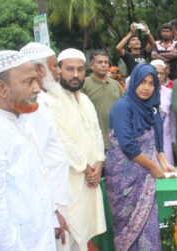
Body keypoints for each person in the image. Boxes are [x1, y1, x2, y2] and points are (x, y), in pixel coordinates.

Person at [105, 63, 177, 250]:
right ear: (134, 81)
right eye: (142, 82)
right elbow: (127, 145)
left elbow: (158, 141)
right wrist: (153, 167)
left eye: (151, 83)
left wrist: (164, 163)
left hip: (144, 179)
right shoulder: (122, 106)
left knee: (148, 225)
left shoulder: (152, 108)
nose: (146, 88)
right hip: (123, 180)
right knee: (126, 227)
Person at [0, 50, 56, 250]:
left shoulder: (21, 120)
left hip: (39, 236)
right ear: (2, 88)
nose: (37, 88)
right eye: (28, 82)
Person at [52, 48, 106, 251]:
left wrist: (99, 164)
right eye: (69, 69)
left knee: (83, 233)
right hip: (69, 182)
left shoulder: (86, 100)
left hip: (89, 181)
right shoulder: (52, 101)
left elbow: (98, 134)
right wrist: (86, 168)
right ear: (58, 70)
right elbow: (62, 141)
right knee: (67, 237)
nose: (75, 74)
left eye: (80, 70)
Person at [20, 42, 71, 250]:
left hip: (55, 198)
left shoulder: (45, 100)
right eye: (54, 66)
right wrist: (52, 211)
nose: (58, 71)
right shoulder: (35, 106)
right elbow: (35, 163)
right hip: (50, 204)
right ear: (40, 69)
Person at [82, 50, 123, 150]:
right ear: (91, 65)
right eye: (100, 62)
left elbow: (123, 110)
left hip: (116, 141)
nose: (104, 65)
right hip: (94, 141)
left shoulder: (116, 85)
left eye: (106, 62)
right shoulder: (84, 84)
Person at [151, 59, 176, 165]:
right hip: (149, 141)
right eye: (156, 73)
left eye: (162, 73)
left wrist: (174, 140)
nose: (159, 76)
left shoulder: (170, 93)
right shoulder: (143, 94)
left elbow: (173, 120)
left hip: (166, 140)